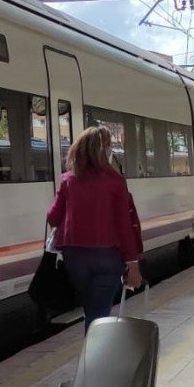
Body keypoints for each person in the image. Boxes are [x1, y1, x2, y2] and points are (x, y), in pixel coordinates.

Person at [45, 126, 144, 328]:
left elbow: (52, 217)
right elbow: (124, 225)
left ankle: (91, 350)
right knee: (98, 312)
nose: (111, 150)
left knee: (91, 310)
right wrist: (133, 263)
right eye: (109, 146)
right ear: (103, 149)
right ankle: (94, 354)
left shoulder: (68, 180)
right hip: (108, 256)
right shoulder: (115, 181)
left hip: (75, 257)